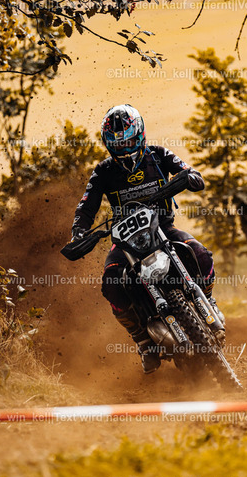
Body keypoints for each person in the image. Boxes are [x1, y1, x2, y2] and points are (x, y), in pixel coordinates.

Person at [72, 104, 223, 374]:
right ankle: (142, 340)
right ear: (108, 144)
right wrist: (79, 231)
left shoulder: (158, 154)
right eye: (118, 144)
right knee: (111, 282)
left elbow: (188, 171)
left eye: (129, 141)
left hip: (162, 228)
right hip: (126, 242)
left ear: (140, 134)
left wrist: (191, 177)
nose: (124, 148)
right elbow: (86, 206)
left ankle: (207, 300)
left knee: (199, 253)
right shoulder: (103, 171)